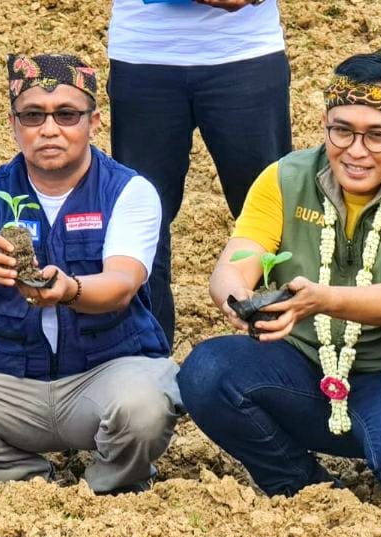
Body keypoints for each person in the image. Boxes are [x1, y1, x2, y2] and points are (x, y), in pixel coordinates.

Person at [177, 37, 381, 503]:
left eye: (378, 135)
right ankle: (304, 489)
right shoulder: (285, 176)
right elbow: (234, 262)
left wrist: (322, 298)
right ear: (324, 125)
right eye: (342, 131)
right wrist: (239, 303)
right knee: (208, 371)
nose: (356, 150)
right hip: (305, 364)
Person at [0, 54, 182, 493]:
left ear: (94, 121)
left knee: (146, 406)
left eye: (66, 114)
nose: (49, 129)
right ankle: (29, 484)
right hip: (9, 382)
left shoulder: (128, 191)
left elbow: (122, 284)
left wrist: (70, 289)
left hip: (101, 376)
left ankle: (109, 487)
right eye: (33, 115)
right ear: (14, 123)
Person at [107, 0, 292, 348]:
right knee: (144, 213)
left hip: (246, 52)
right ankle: (148, 359)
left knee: (271, 204)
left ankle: (296, 349)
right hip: (144, 56)